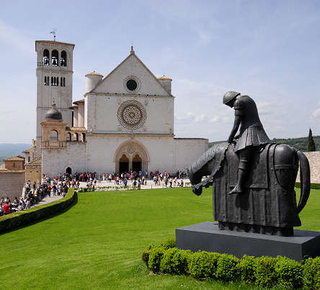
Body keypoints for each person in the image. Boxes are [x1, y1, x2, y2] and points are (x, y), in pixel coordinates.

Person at [223, 91, 270, 194]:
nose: (231, 107)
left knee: (243, 157)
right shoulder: (248, 98)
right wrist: (238, 135)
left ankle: (239, 185)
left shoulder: (238, 102)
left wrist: (229, 139)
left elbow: (236, 125)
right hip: (255, 130)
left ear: (231, 100)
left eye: (229, 105)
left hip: (251, 132)